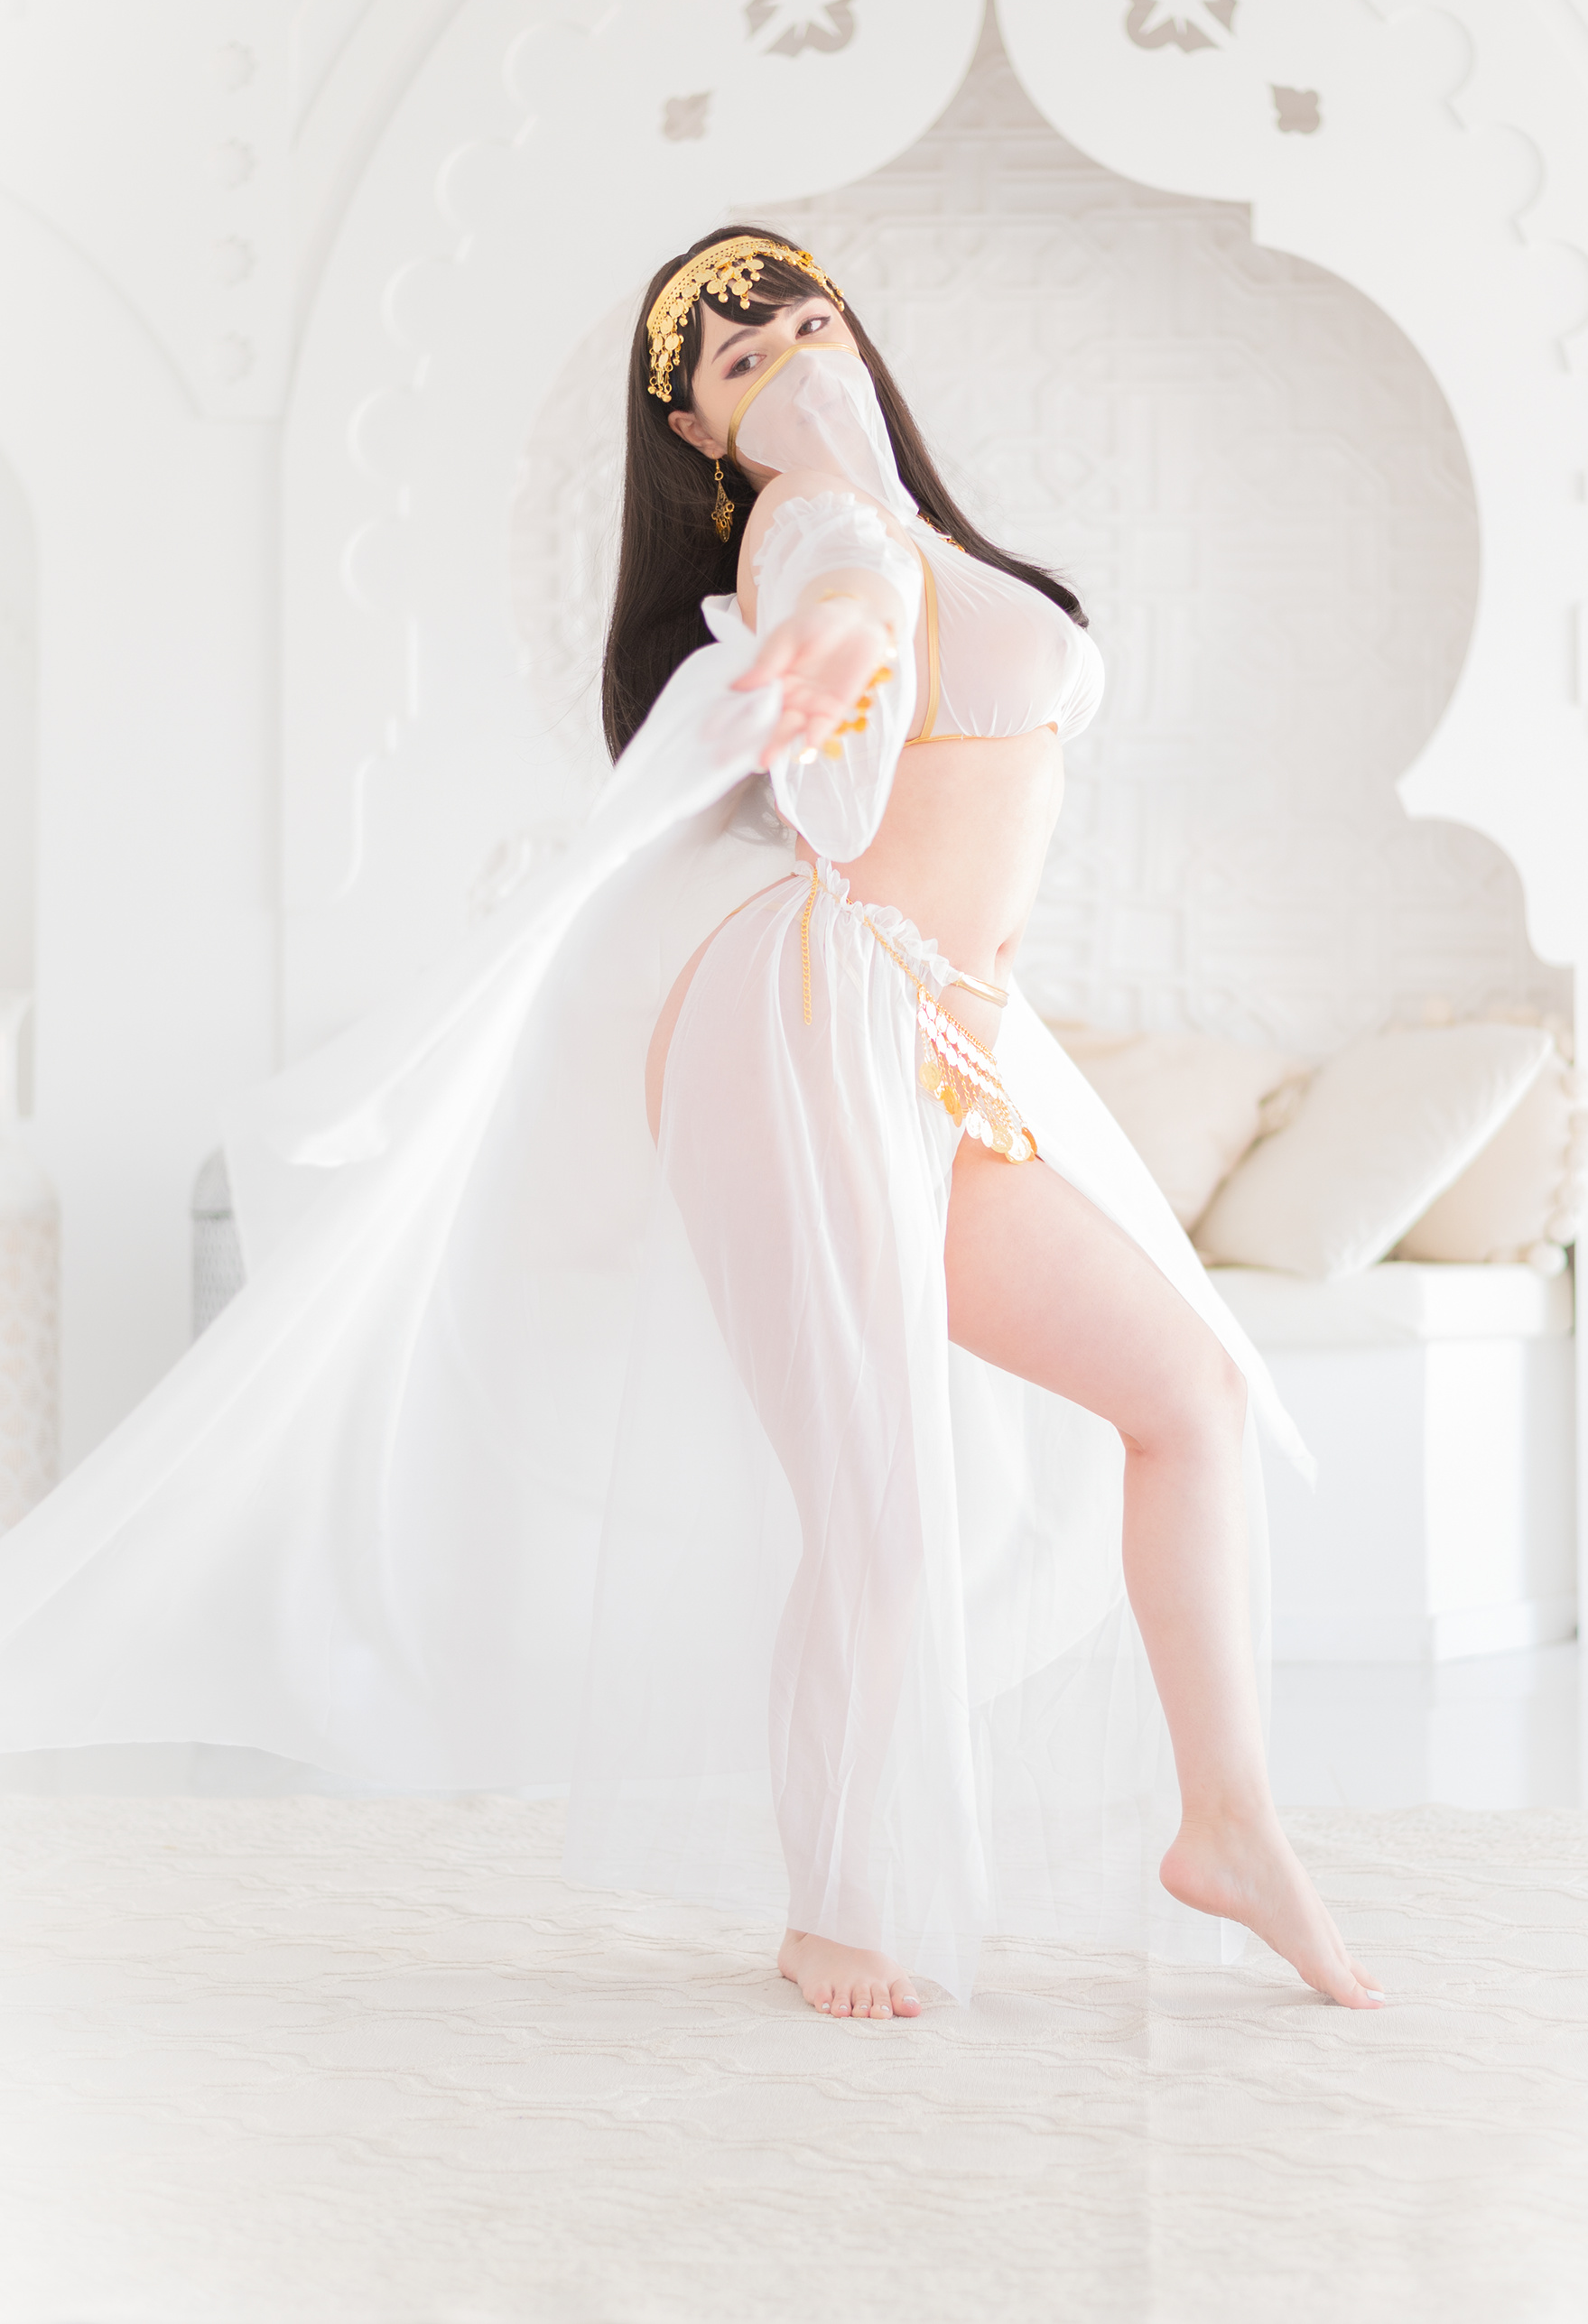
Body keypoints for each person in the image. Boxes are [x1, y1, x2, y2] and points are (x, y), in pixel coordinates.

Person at [0, 228, 1379, 2021]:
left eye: (809, 319)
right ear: (701, 441)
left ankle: (1228, 1822)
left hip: (943, 1048)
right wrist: (832, 630)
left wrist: (871, 581)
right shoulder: (808, 523)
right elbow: (841, 600)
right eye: (741, 361)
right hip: (796, 1027)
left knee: (1185, 1394)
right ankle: (831, 1903)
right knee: (875, 1498)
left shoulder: (917, 531)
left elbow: (915, 622)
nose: (797, 359)